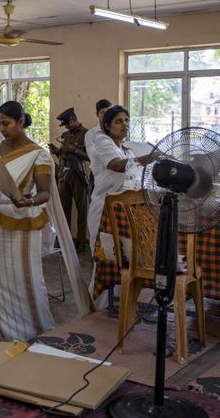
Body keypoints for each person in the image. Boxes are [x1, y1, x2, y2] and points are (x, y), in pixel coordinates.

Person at [0, 101, 55, 347]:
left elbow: (44, 193)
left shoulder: (38, 153)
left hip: (21, 224)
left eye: (6, 123)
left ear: (21, 122)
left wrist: (27, 201)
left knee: (23, 277)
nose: (2, 129)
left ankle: (32, 329)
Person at [87, 105, 144, 309]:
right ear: (107, 125)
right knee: (105, 257)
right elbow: (115, 165)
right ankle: (98, 306)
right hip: (103, 208)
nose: (124, 124)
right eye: (119, 121)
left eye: (127, 120)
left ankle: (118, 302)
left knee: (123, 257)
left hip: (122, 210)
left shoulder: (125, 148)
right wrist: (147, 158)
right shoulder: (102, 141)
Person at [49, 108, 89, 252]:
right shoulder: (66, 135)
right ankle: (63, 240)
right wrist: (56, 151)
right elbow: (63, 154)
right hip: (63, 175)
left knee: (81, 210)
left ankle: (81, 241)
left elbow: (90, 156)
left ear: (73, 119)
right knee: (64, 209)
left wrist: (75, 150)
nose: (65, 127)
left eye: (67, 123)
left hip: (77, 175)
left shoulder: (86, 134)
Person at [85, 99, 112, 201]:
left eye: (108, 113)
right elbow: (93, 156)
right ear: (97, 114)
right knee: (96, 208)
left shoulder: (116, 132)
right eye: (102, 113)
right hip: (98, 175)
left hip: (115, 176)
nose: (106, 116)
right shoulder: (91, 134)